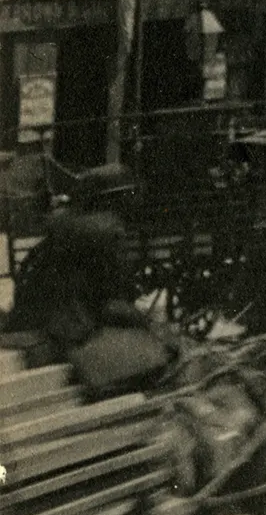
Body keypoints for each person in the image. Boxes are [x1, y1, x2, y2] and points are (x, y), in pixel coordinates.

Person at [6, 165, 171, 393]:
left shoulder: (66, 223)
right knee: (158, 351)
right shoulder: (108, 231)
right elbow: (111, 302)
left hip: (43, 317)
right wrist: (145, 321)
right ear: (116, 199)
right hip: (73, 327)